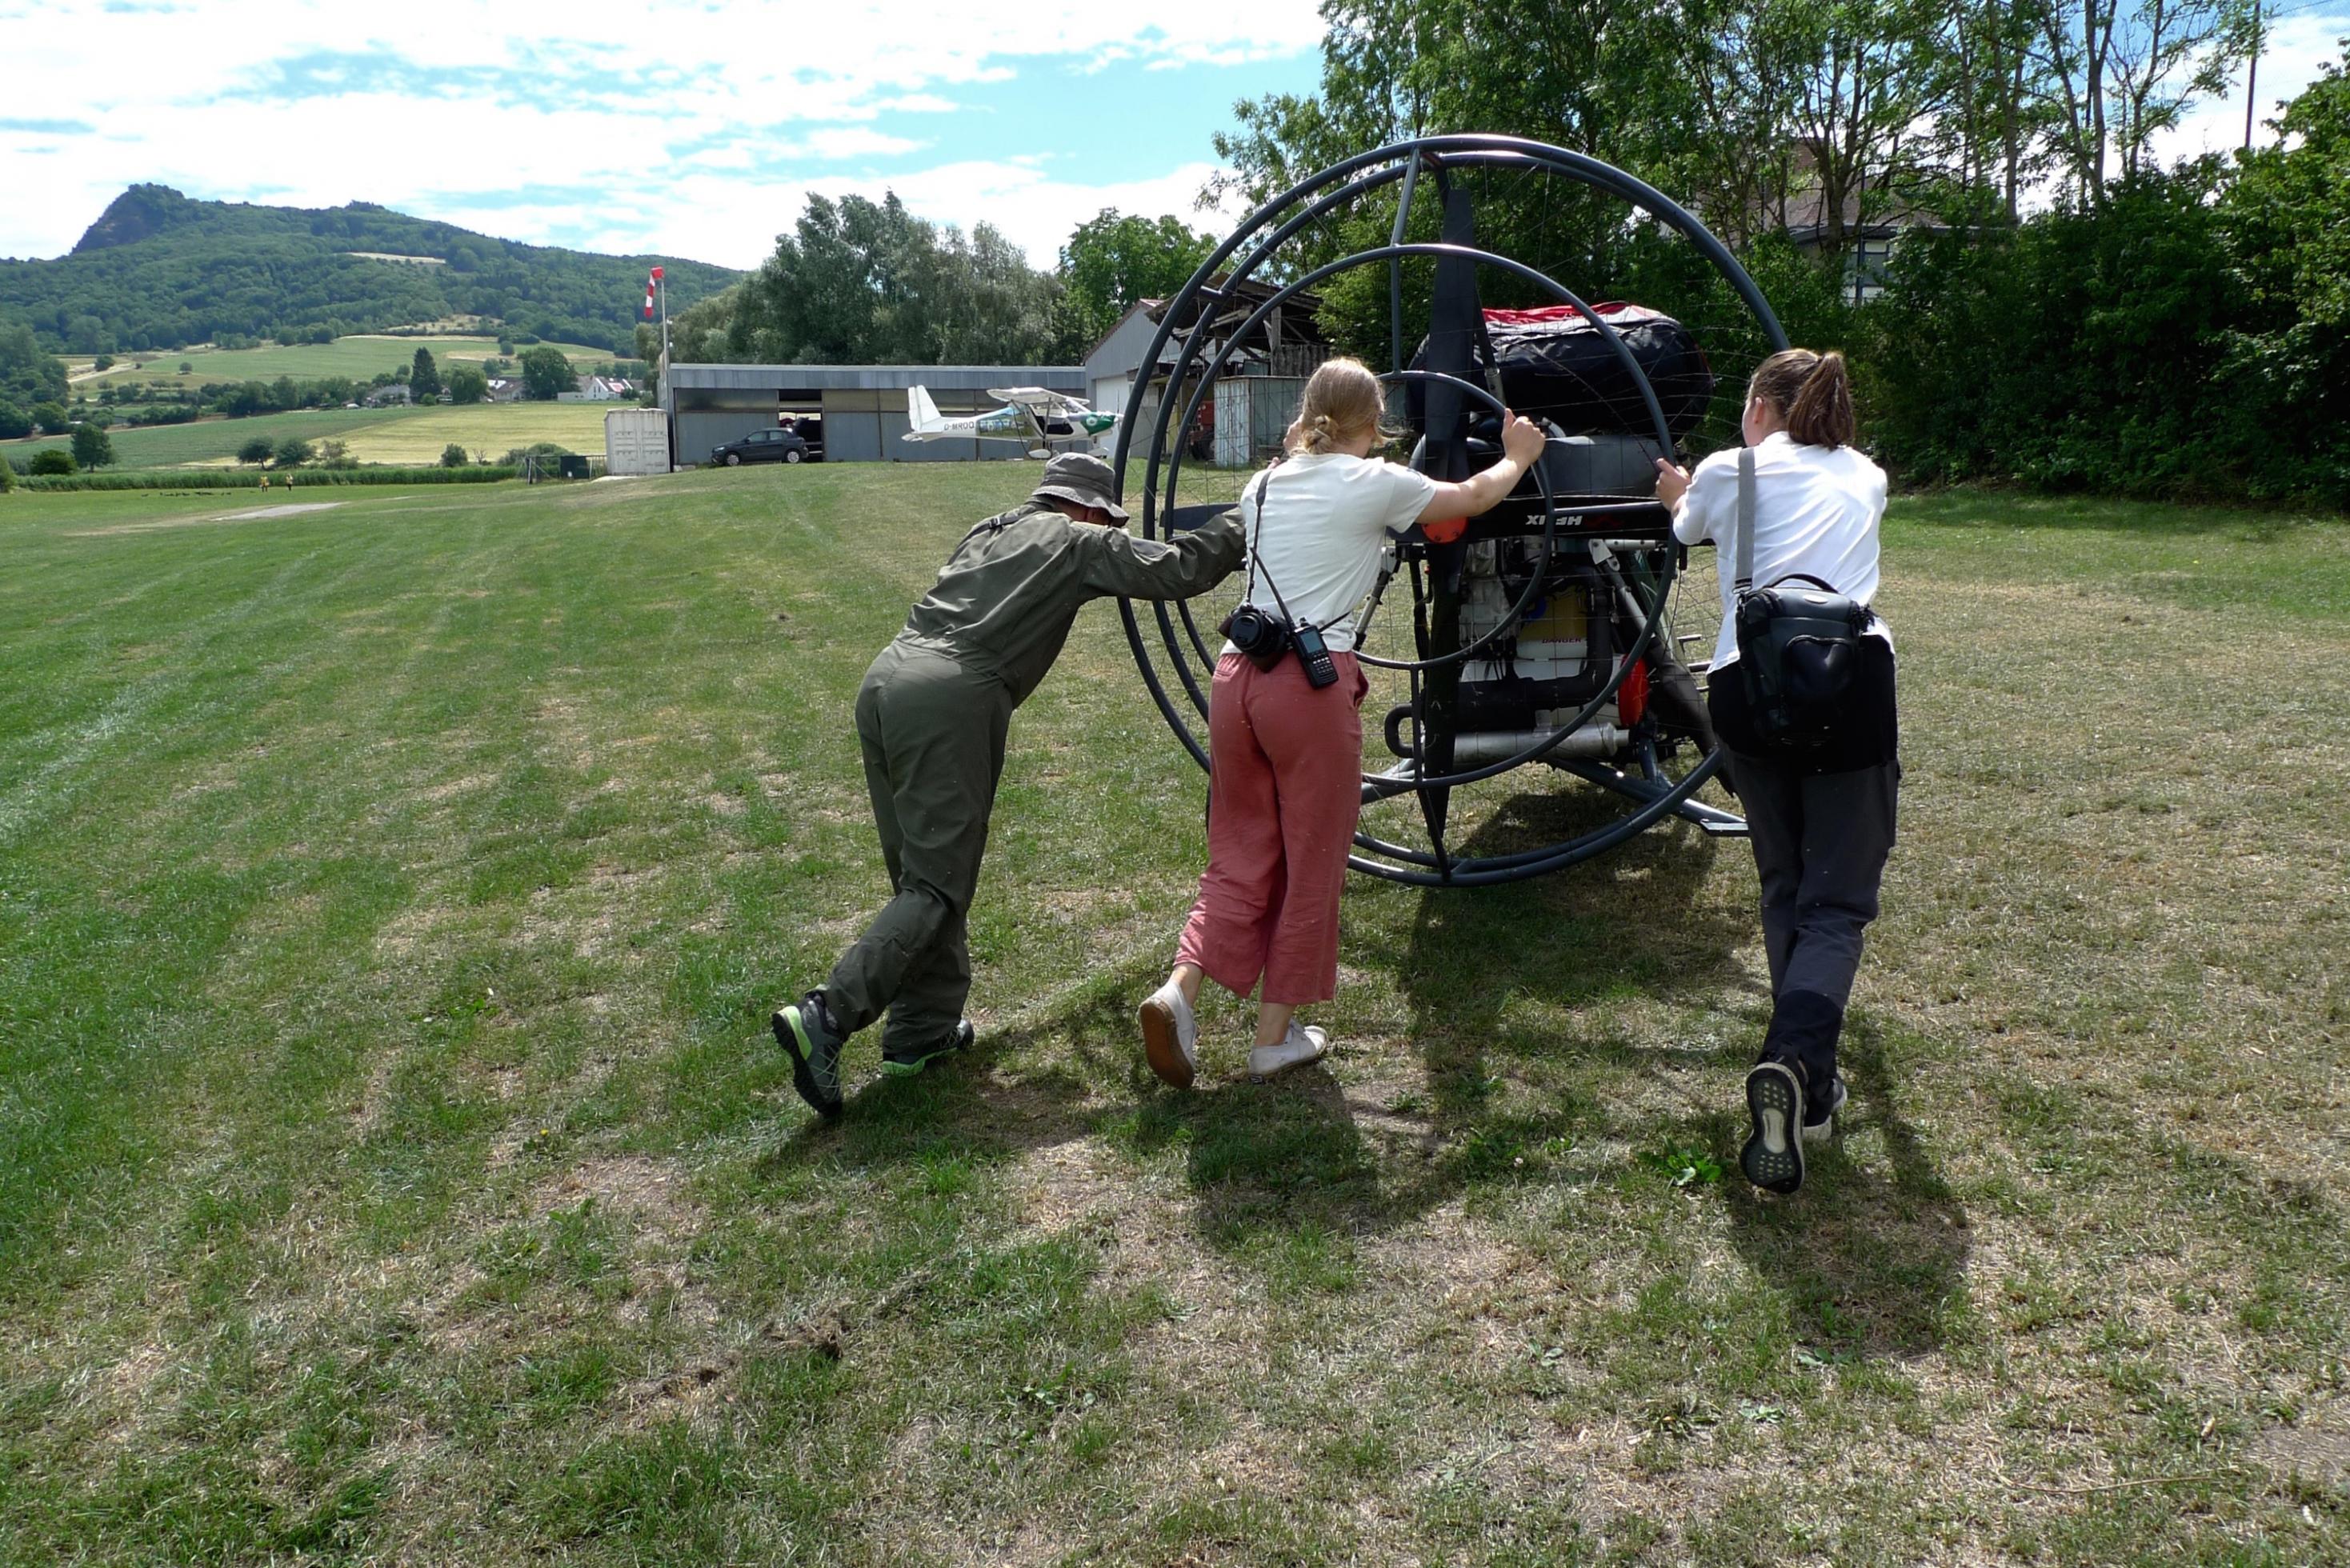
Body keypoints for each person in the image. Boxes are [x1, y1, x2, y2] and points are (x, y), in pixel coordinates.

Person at [772, 453, 1244, 1119]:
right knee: (936, 885)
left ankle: (920, 1034)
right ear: (1086, 509)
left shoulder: (987, 528)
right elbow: (1179, 569)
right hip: (951, 698)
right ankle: (826, 1015)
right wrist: (1249, 514)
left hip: (886, 679)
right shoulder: (1079, 540)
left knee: (920, 873)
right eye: (1104, 516)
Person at [1138, 358, 1548, 1086]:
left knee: (1237, 851)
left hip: (1238, 678)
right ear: (1374, 420)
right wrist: (1517, 456)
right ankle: (1273, 1038)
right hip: (1308, 685)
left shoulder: (1261, 482)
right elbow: (1474, 498)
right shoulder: (1376, 483)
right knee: (1312, 860)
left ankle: (1179, 992)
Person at [1652, 349, 1896, 1195]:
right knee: (1840, 900)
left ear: (1760, 404)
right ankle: (1800, 1071)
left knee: (1785, 878)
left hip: (1745, 691)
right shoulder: (1868, 475)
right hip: (1849, 684)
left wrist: (1676, 491)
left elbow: (1685, 525)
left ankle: (1806, 1080)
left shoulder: (1729, 469)